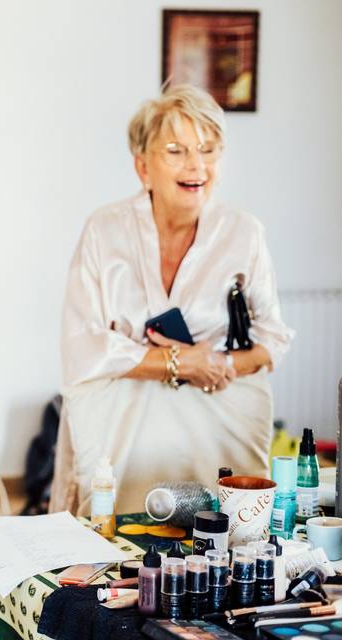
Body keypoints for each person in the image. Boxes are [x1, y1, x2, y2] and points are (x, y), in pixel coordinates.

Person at [49, 85, 293, 515]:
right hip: (120, 434)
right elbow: (82, 344)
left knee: (221, 547)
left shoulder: (244, 233)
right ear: (143, 166)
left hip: (219, 436)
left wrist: (218, 365)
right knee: (117, 551)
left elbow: (272, 340)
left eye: (208, 149)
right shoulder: (104, 231)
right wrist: (181, 364)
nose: (197, 165)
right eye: (176, 150)